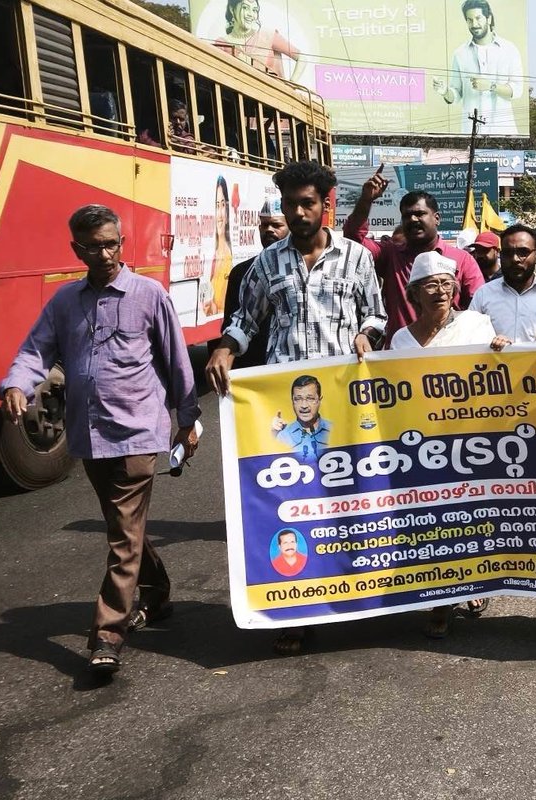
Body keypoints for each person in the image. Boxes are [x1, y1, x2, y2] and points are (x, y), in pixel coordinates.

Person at [0, 204, 200, 677]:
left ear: (122, 243)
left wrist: (188, 421)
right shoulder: (65, 302)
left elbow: (176, 363)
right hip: (89, 436)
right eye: (94, 246)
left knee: (122, 532)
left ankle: (108, 634)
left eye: (113, 243)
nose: (106, 253)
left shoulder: (149, 295)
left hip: (137, 432)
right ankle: (157, 590)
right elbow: (35, 351)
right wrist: (15, 384)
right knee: (124, 527)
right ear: (77, 249)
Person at [206, 161, 387, 656]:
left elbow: (377, 313)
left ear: (326, 203)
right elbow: (247, 318)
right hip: (284, 408)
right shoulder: (266, 265)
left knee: (348, 503)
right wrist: (225, 347)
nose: (299, 212)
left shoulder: (356, 258)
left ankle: (359, 594)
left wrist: (367, 335)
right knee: (290, 508)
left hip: (345, 407)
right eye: (291, 204)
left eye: (307, 203)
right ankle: (295, 608)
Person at [387, 251, 500, 637]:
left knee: (469, 521)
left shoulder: (477, 325)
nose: (440, 292)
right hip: (421, 449)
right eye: (430, 286)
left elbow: (501, 374)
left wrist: (502, 348)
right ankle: (438, 600)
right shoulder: (401, 339)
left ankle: (469, 586)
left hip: (469, 444)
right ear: (414, 294)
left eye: (446, 284)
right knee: (432, 525)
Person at [344, 165, 484, 341]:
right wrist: (366, 199)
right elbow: (353, 239)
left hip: (450, 354)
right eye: (407, 216)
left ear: (437, 218)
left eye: (420, 214)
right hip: (401, 355)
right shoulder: (390, 255)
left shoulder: (463, 260)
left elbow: (478, 306)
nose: (413, 220)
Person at [432, 0, 523, 135]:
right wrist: (445, 91)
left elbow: (517, 90)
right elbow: (456, 95)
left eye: (478, 18)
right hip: (471, 133)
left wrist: (491, 86)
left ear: (489, 18)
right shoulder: (460, 54)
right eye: (469, 20)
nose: (474, 24)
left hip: (503, 133)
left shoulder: (509, 49)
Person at [221, 195, 289, 369]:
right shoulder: (241, 272)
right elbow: (233, 324)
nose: (269, 230)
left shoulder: (296, 270)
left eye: (276, 225)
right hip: (253, 367)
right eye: (265, 225)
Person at [468, 224, 536, 347]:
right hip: (495, 365)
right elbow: (469, 337)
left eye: (523, 252)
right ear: (500, 254)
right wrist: (490, 342)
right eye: (508, 253)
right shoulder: (483, 294)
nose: (515, 259)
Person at [213, 0, 305, 82]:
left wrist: (291, 84)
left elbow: (301, 57)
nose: (250, 14)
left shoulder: (267, 35)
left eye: (254, 10)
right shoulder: (221, 44)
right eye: (245, 8)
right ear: (232, 9)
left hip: (272, 97)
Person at [272, 374, 330, 460]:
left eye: (310, 398)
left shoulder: (335, 430)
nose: (304, 405)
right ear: (292, 401)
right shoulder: (283, 437)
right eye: (298, 399)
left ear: (319, 400)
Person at [202, 175, 234, 318]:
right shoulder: (214, 254)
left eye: (223, 205)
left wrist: (214, 308)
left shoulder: (229, 257)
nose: (220, 214)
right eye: (216, 205)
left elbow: (227, 309)